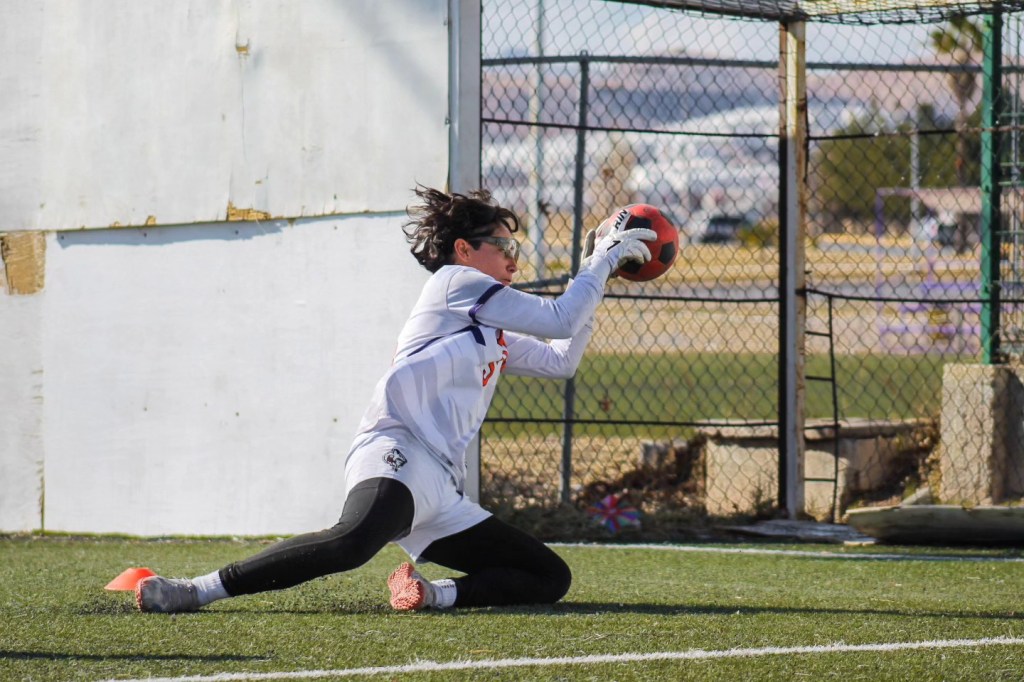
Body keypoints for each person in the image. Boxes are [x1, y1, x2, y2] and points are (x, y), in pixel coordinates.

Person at [136, 186, 655, 613]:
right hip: (397, 451)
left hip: (439, 488)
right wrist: (599, 266)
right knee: (351, 543)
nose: (514, 260)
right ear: (464, 251)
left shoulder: (489, 329)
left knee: (548, 576)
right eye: (505, 248)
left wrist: (597, 274)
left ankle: (432, 594)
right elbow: (560, 318)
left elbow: (561, 358)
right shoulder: (456, 283)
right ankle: (196, 589)